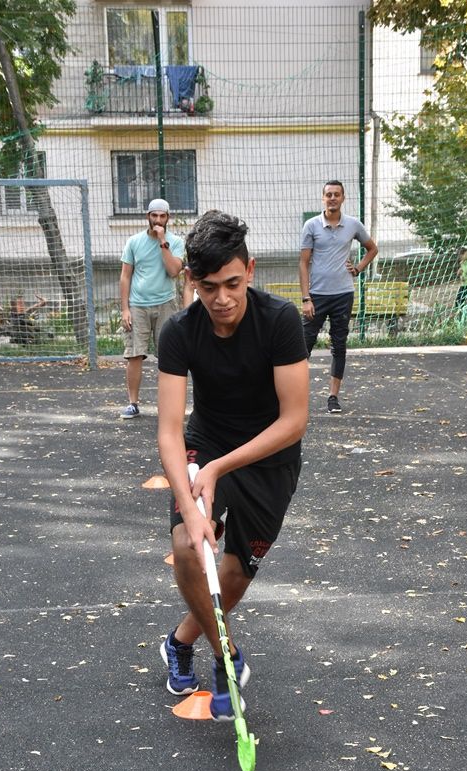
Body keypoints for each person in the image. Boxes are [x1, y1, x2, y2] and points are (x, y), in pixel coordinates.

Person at [157, 210, 309, 720]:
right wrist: (190, 503)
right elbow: (170, 431)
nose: (221, 298)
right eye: (208, 288)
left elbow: (294, 420)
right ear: (191, 281)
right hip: (207, 442)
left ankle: (180, 641)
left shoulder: (280, 320)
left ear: (251, 270)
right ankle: (228, 658)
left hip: (270, 455)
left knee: (238, 571)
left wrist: (220, 467)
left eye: (232, 284)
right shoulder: (180, 332)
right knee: (187, 544)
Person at [299, 180, 378, 414]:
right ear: (323, 198)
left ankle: (333, 397)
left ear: (343, 198)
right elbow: (303, 263)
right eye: (329, 194)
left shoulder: (353, 224)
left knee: (339, 346)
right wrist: (306, 298)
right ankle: (296, 396)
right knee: (303, 346)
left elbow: (372, 249)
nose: (332, 198)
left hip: (343, 294)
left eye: (336, 194)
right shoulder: (311, 226)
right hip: (317, 295)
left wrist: (359, 268)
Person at [119, 198, 185, 418]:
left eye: (162, 216)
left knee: (168, 355)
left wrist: (163, 241)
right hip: (138, 305)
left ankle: (167, 404)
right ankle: (133, 403)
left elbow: (173, 271)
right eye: (154, 215)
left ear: (168, 218)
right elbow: (125, 276)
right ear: (147, 216)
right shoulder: (134, 242)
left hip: (166, 304)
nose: (158, 220)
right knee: (134, 354)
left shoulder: (175, 242)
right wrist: (125, 309)